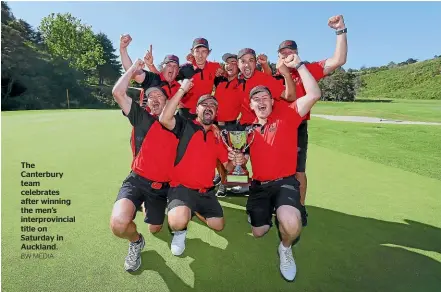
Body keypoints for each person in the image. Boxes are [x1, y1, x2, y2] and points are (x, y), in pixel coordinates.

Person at [245, 54, 322, 281]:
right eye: (256, 98)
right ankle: (267, 212)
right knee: (259, 232)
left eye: (265, 97)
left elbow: (314, 94)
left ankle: (285, 248)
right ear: (251, 105)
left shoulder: (288, 114)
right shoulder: (246, 129)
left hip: (285, 183)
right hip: (258, 186)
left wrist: (299, 65)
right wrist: (237, 159)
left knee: (291, 224)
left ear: (272, 101)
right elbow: (234, 160)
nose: (261, 101)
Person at [109, 59, 182, 272]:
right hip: (136, 180)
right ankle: (136, 242)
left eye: (160, 95)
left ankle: (145, 207)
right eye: (151, 96)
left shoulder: (179, 124)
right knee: (119, 225)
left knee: (155, 228)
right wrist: (132, 69)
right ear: (147, 102)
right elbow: (118, 93)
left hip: (160, 187)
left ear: (169, 100)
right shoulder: (141, 117)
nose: (155, 98)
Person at [158, 81, 245, 256]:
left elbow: (225, 167)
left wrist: (235, 161)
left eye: (213, 106)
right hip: (181, 188)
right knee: (177, 222)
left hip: (205, 191)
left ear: (216, 113)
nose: (209, 107)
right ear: (196, 109)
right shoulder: (184, 125)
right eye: (204, 104)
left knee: (218, 225)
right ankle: (180, 232)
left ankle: (192, 208)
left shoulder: (218, 136)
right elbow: (164, 118)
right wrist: (182, 89)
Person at [275, 15, 348, 213]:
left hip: (297, 127)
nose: (286, 55)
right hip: (275, 128)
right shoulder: (272, 75)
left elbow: (338, 60)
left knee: (298, 171)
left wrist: (340, 30)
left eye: (290, 52)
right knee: (275, 168)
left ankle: (300, 207)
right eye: (283, 53)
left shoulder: (307, 70)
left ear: (297, 54)